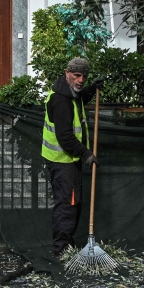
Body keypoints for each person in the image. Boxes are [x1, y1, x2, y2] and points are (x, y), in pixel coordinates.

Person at [41, 57, 104, 258]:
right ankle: (61, 251)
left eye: (84, 76)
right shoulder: (60, 100)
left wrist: (91, 90)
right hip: (62, 161)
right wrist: (86, 153)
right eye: (77, 75)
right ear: (67, 72)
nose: (80, 80)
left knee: (71, 204)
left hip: (69, 161)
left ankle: (66, 246)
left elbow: (78, 99)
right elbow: (65, 137)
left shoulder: (69, 93)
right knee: (67, 205)